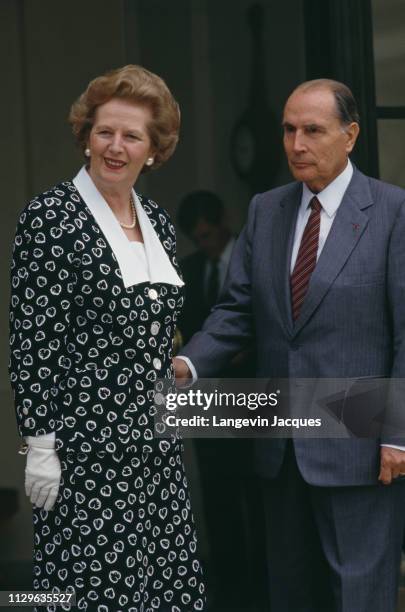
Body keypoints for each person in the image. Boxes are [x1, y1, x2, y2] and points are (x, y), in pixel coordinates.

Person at [174, 79, 405, 612]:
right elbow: (237, 311)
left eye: (312, 130)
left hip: (362, 442)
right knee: (291, 597)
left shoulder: (393, 212)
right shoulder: (266, 209)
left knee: (358, 597)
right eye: (288, 129)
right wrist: (187, 364)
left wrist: (398, 432)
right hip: (281, 444)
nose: (295, 143)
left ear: (350, 136)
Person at [9, 64, 205, 612]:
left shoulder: (160, 224)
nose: (115, 147)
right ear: (86, 136)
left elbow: (159, 331)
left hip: (155, 447)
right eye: (105, 132)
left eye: (132, 136)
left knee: (165, 588)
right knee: (99, 594)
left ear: (154, 149)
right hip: (85, 451)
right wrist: (40, 444)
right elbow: (32, 340)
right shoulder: (51, 218)